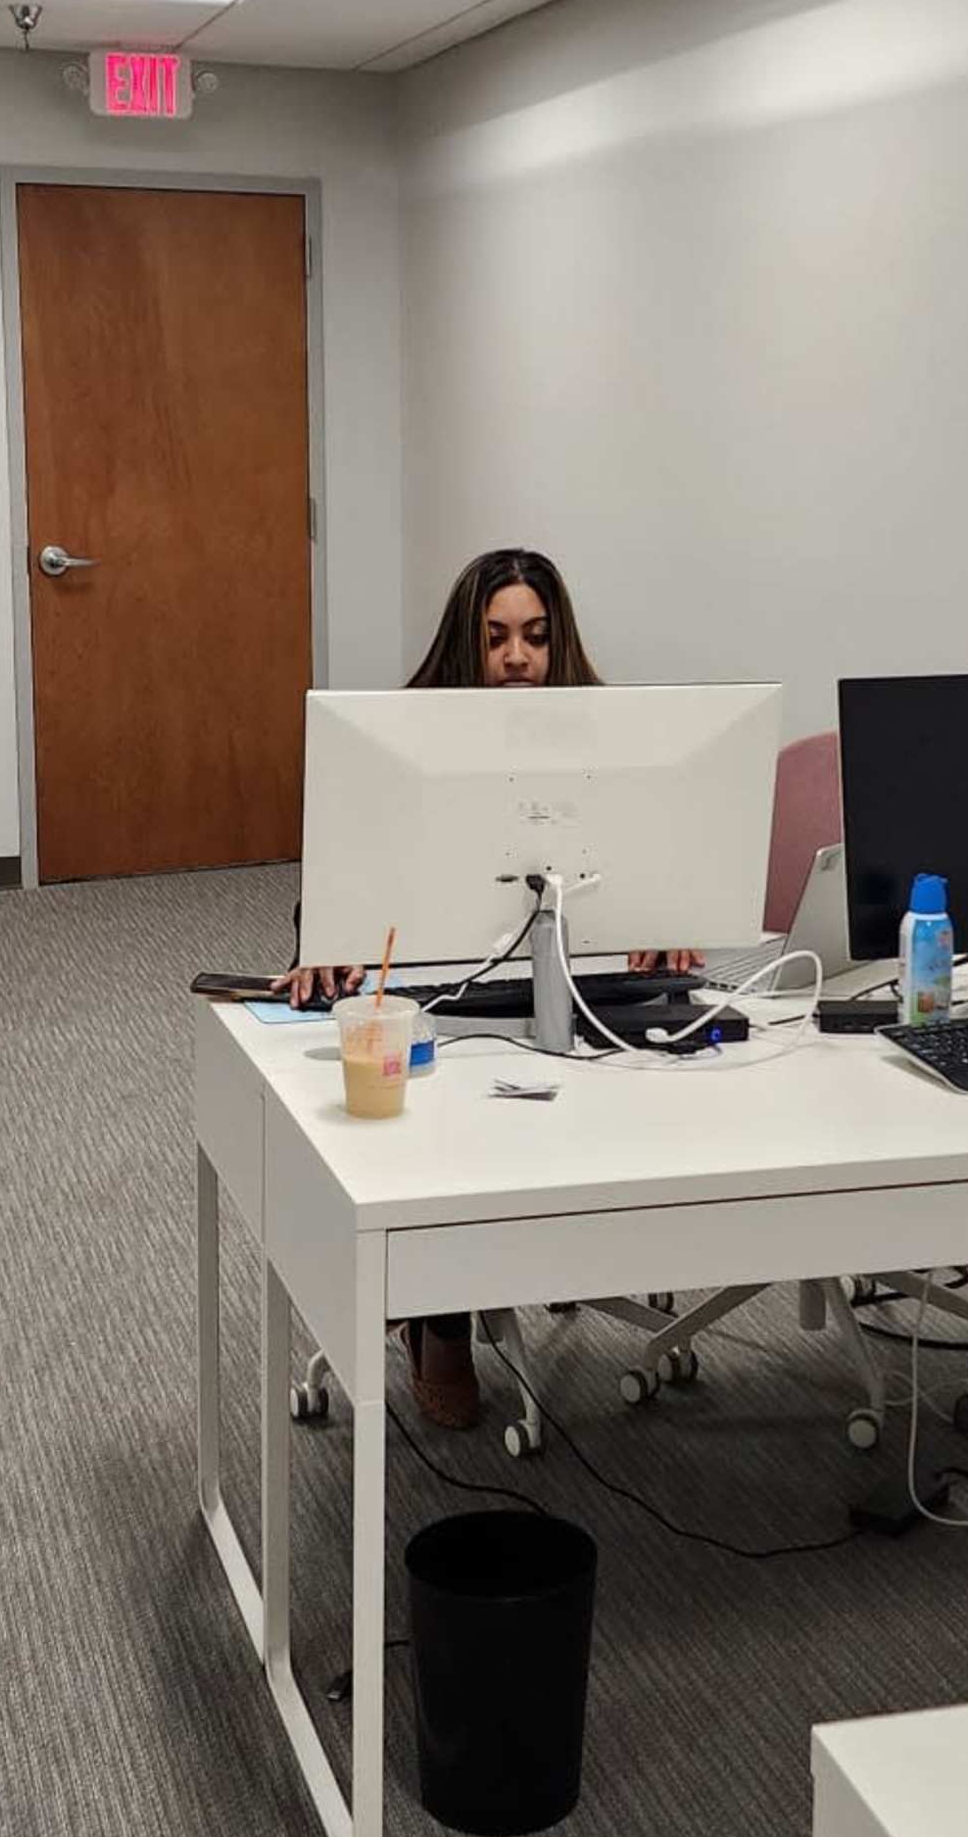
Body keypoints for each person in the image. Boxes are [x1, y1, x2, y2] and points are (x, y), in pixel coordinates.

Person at [287, 546, 697, 1431]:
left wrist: (664, 914)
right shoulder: (403, 736)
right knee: (436, 1124)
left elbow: (643, 858)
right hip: (443, 986)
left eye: (537, 639)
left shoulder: (601, 735)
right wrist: (328, 940)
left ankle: (539, 1250)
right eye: (499, 637)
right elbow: (340, 876)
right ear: (466, 646)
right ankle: (439, 1322)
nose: (518, 658)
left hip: (572, 979)